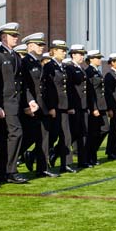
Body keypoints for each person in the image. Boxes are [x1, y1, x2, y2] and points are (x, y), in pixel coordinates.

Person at [0, 22, 32, 184]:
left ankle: (1, 172)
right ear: (3, 37)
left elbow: (21, 82)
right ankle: (10, 171)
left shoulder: (14, 56)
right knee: (14, 134)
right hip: (4, 104)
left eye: (16, 35)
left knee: (5, 137)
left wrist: (30, 101)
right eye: (13, 35)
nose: (16, 38)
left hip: (15, 103)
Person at [19, 33, 57, 178]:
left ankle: (42, 168)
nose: (42, 47)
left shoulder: (37, 63)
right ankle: (3, 166)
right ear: (29, 46)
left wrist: (49, 106)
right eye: (38, 44)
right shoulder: (25, 62)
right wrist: (27, 104)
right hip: (31, 107)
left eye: (42, 45)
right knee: (26, 137)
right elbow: (24, 86)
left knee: (44, 137)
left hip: (42, 106)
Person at [42, 40, 76, 173]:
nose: (64, 52)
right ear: (54, 50)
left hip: (64, 106)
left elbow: (67, 88)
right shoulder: (49, 66)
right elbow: (49, 88)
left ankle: (66, 163)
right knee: (52, 136)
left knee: (66, 136)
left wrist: (69, 105)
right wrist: (51, 107)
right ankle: (35, 156)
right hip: (55, 106)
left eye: (64, 50)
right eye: (61, 50)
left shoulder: (63, 67)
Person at [66, 45, 92, 168]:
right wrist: (70, 106)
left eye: (83, 54)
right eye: (80, 54)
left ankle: (83, 160)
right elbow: (70, 89)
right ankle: (55, 152)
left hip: (83, 106)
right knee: (74, 133)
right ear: (73, 55)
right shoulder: (69, 68)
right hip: (75, 106)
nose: (82, 56)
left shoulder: (80, 68)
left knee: (83, 133)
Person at [84, 49, 108, 166]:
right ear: (91, 59)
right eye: (97, 58)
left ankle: (92, 153)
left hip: (101, 105)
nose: (100, 60)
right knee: (93, 133)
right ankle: (89, 156)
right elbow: (90, 92)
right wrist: (93, 108)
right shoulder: (88, 71)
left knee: (104, 129)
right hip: (95, 106)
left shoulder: (97, 71)